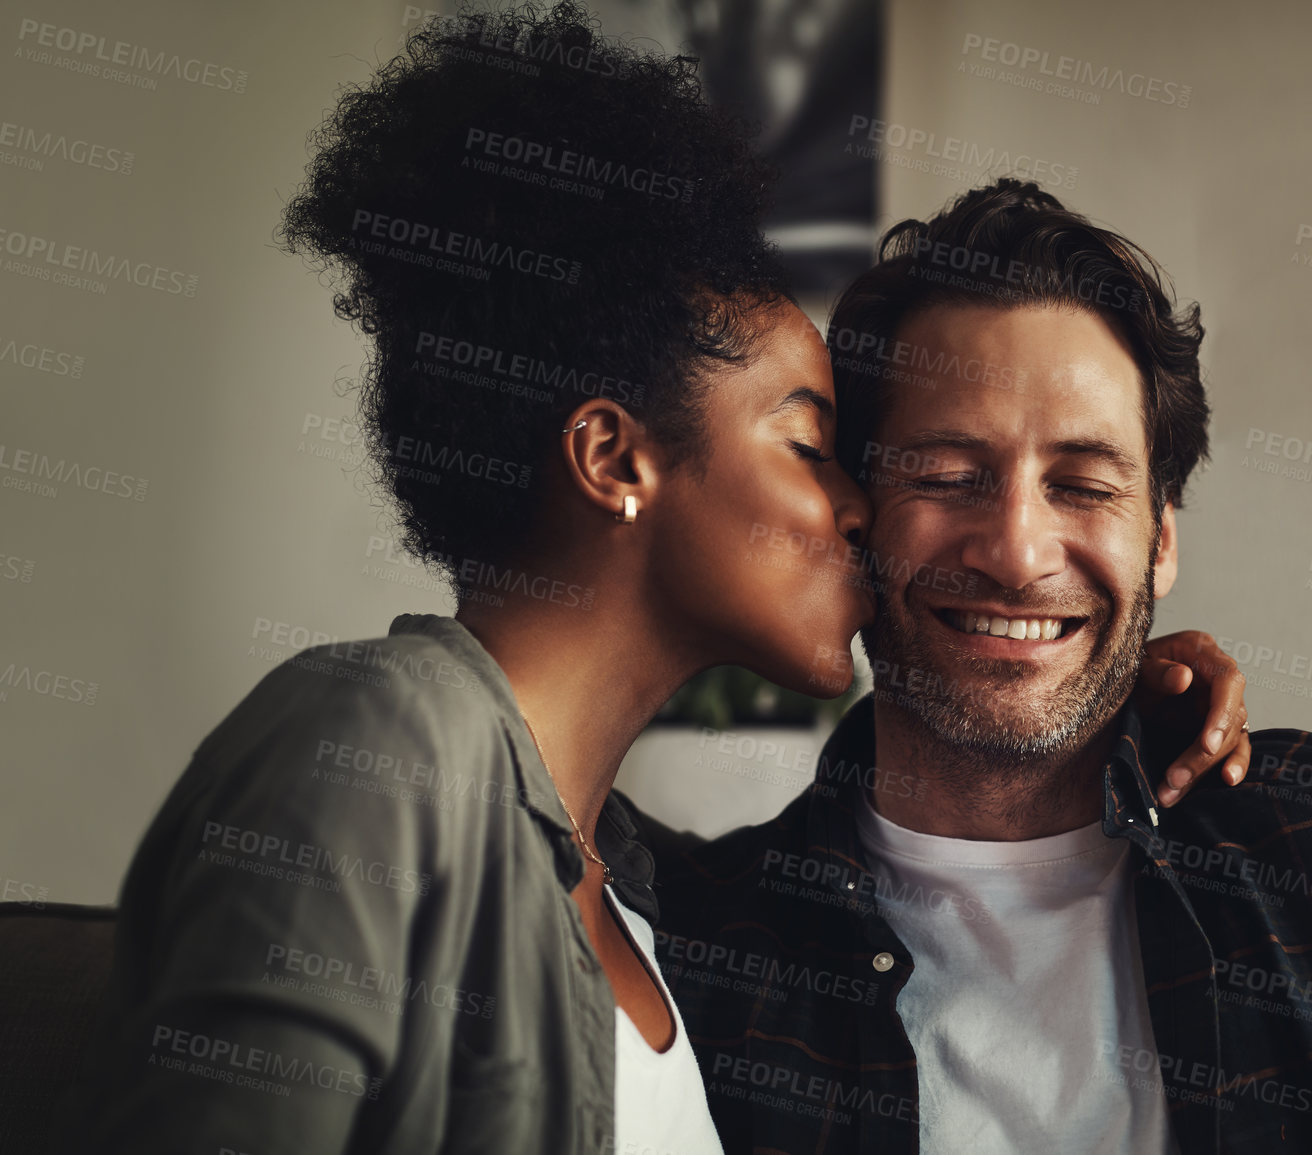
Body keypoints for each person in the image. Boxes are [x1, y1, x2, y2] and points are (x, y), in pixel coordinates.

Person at [56, 10, 1251, 1154]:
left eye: (1084, 491)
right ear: (617, 459)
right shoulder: (378, 737)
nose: (853, 507)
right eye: (806, 444)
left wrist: (1084, 679)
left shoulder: (635, 884)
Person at [645, 180, 1312, 1154]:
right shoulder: (696, 945)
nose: (1019, 553)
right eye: (949, 477)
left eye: (1083, 486)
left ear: (1161, 542)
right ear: (857, 517)